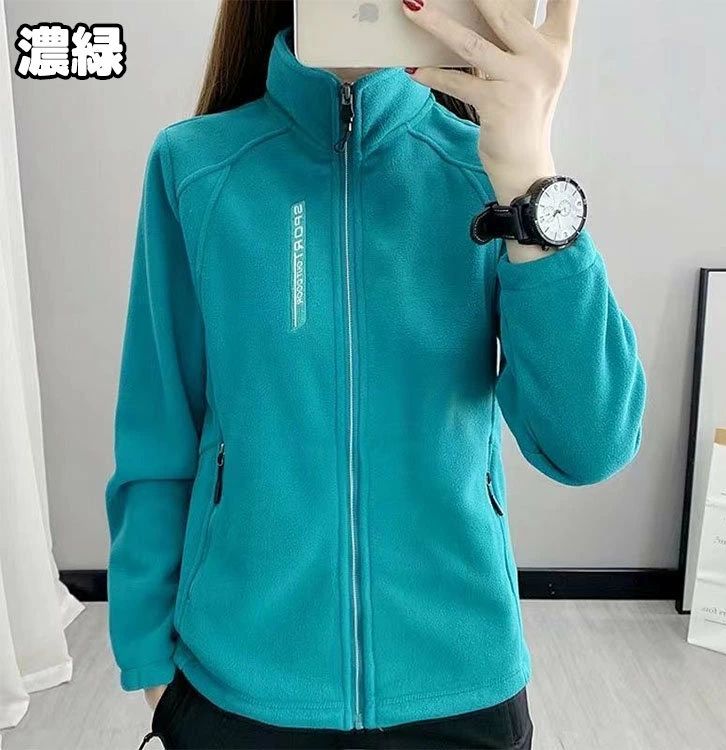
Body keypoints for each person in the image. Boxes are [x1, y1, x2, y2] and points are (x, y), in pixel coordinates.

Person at [105, 1, 646, 748]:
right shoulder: (196, 165)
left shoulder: (487, 171)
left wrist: (528, 178)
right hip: (240, 685)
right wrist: (148, 666)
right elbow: (158, 430)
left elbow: (588, 446)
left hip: (460, 684)